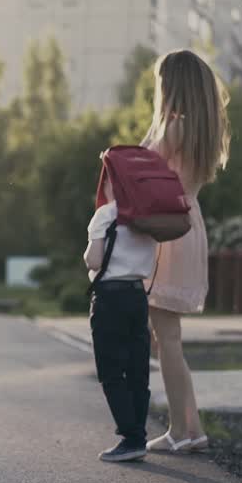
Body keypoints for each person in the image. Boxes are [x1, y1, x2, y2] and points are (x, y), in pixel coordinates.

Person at [138, 50, 229, 453]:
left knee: (167, 336)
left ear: (173, 87)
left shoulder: (174, 130)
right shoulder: (196, 130)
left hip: (169, 232)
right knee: (167, 336)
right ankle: (190, 429)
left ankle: (182, 430)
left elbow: (142, 170)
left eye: (161, 83)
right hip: (186, 227)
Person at [83, 173, 157, 462]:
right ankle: (138, 435)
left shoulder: (106, 213)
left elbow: (94, 260)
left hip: (109, 299)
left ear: (111, 183)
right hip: (138, 296)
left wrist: (88, 250)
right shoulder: (147, 213)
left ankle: (132, 437)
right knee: (138, 369)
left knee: (112, 371)